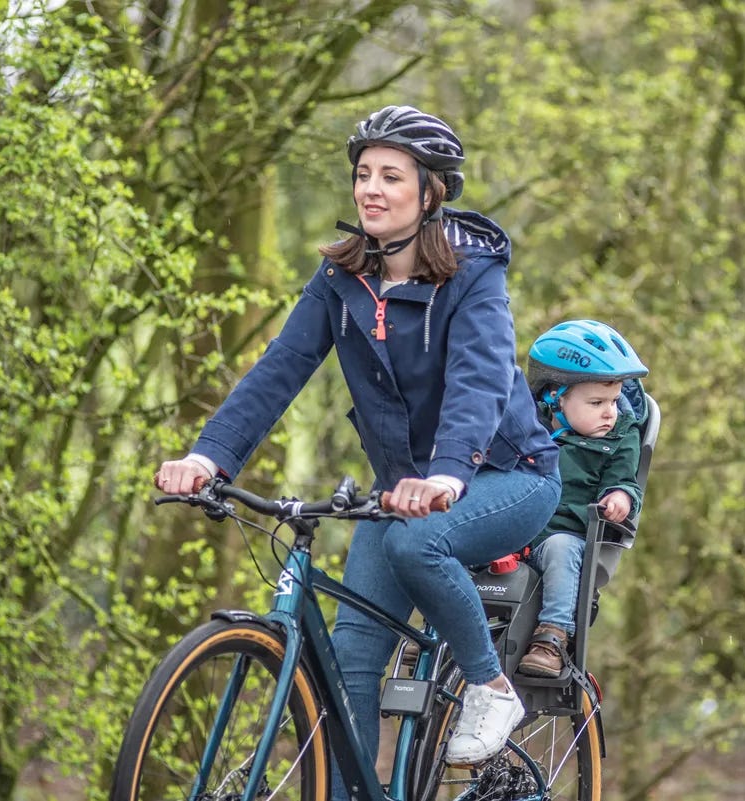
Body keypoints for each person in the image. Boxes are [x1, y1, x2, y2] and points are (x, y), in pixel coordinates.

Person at [152, 104, 562, 775]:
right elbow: (279, 368)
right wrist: (208, 456)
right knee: (350, 668)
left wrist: (450, 474)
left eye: (391, 176)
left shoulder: (473, 274)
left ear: (430, 191)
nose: (370, 188)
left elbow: (479, 382)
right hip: (400, 488)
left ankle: (491, 690)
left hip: (505, 474)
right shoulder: (343, 277)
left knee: (415, 539)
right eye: (363, 174)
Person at [516, 320, 648, 677]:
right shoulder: (526, 425)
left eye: (615, 400)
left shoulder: (620, 436)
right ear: (556, 397)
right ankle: (441, 637)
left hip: (564, 535)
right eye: (596, 402)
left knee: (561, 549)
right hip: (514, 529)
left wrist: (619, 496)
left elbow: (625, 478)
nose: (610, 412)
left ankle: (553, 637)